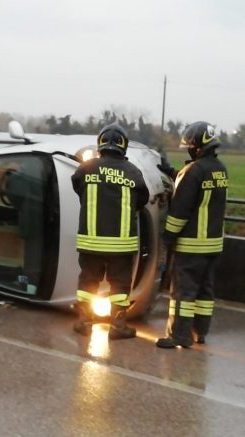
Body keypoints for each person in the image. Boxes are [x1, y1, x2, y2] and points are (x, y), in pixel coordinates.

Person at [71, 124, 149, 339]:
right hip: (121, 245)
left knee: (88, 282)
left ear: (100, 144)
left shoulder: (86, 168)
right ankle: (118, 327)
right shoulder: (133, 171)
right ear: (124, 146)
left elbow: (77, 187)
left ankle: (84, 322)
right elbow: (142, 200)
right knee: (120, 286)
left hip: (90, 242)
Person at [156, 121, 228, 349]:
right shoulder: (220, 169)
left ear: (197, 147)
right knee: (205, 291)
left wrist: (168, 236)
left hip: (191, 245)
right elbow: (195, 184)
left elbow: (180, 210)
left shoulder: (194, 171)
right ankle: (200, 332)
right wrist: (171, 172)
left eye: (190, 147)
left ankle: (180, 335)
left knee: (183, 293)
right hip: (213, 244)